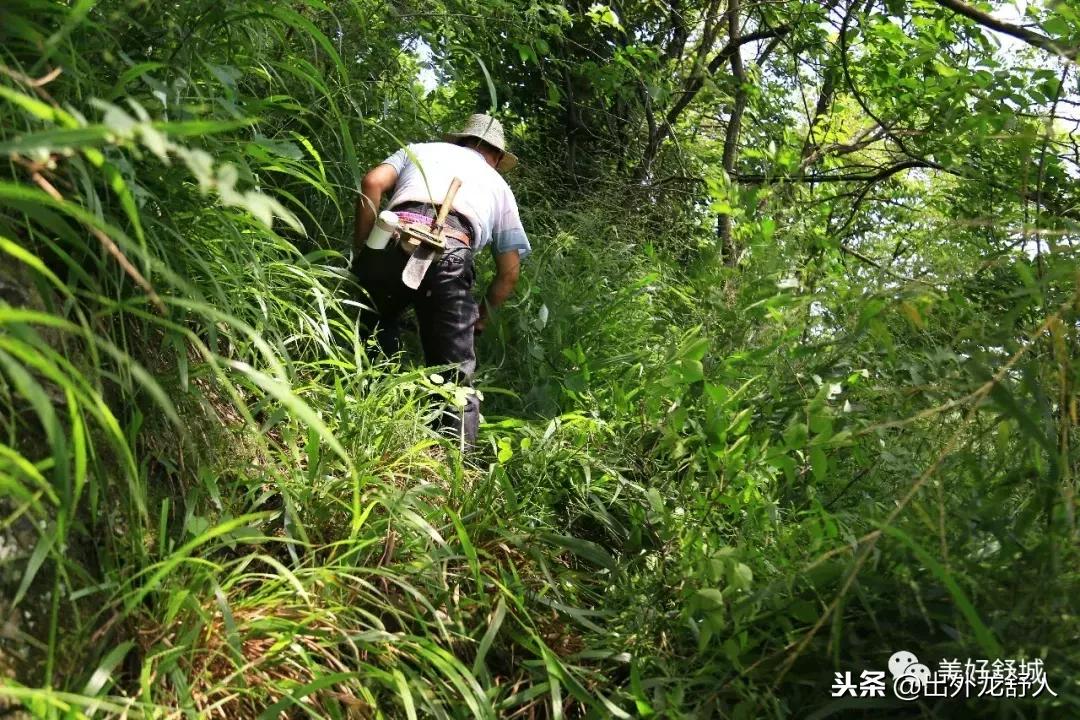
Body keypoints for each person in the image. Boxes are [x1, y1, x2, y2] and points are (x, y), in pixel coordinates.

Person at [351, 114, 530, 447]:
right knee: (455, 375)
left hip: (393, 235)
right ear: (495, 155)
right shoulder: (499, 187)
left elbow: (372, 183)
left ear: (460, 140)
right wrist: (481, 318)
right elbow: (510, 273)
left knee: (375, 323)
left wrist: (362, 254)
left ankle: (362, 418)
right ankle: (453, 470)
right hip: (451, 253)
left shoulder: (419, 150)